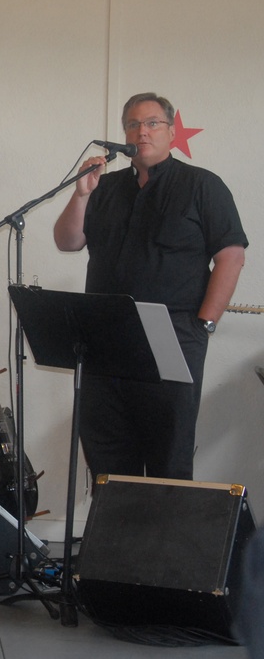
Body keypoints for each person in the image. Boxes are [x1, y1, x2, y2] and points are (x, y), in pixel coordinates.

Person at [53, 92, 247, 483]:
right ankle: (116, 542)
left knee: (168, 458)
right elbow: (67, 241)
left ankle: (163, 545)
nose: (142, 132)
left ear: (171, 132)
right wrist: (81, 193)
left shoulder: (202, 185)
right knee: (107, 455)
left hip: (173, 334)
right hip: (105, 336)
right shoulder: (104, 188)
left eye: (152, 123)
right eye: (132, 124)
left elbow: (231, 256)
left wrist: (203, 325)